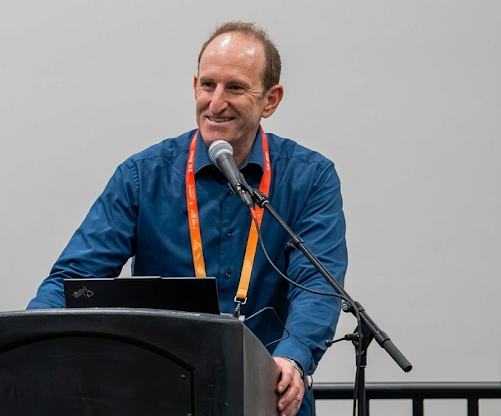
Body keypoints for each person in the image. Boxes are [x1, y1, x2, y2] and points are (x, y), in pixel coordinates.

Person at [28, 22, 348, 416]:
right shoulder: (143, 176)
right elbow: (72, 281)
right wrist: (29, 349)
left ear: (270, 100)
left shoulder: (309, 178)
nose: (215, 103)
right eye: (208, 85)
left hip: (268, 398)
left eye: (235, 88)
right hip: (160, 396)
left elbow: (316, 284)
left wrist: (293, 359)